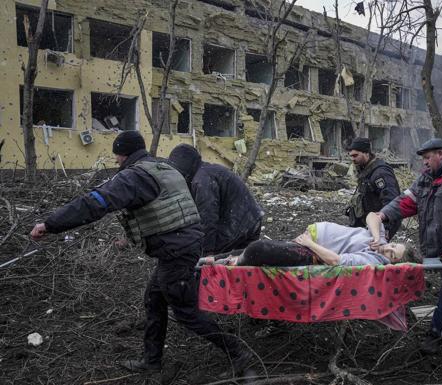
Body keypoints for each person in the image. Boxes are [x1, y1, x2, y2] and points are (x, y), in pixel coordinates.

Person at [30, 131, 251, 376]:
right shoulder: (162, 166)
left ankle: (238, 353)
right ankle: (151, 361)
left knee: (186, 311)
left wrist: (51, 224)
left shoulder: (135, 177)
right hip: (182, 245)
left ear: (124, 155)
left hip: (176, 250)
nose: (115, 162)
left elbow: (95, 203)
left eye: (116, 156)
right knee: (154, 299)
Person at [374, 138, 442, 354]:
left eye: (428, 157)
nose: (424, 162)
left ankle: (436, 333)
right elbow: (405, 202)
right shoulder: (426, 178)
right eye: (423, 158)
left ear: (441, 154)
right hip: (439, 247)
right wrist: (383, 214)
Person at [208, 213, 419, 267]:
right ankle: (209, 259)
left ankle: (227, 263)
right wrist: (376, 236)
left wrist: (310, 244)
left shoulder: (373, 261)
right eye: (393, 246)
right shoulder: (379, 241)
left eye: (392, 255)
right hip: (311, 238)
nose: (387, 250)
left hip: (313, 250)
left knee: (258, 248)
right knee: (257, 248)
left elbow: (336, 261)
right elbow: (373, 216)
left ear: (392, 264)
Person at [169, 144, 263, 255]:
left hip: (241, 223)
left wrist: (206, 253)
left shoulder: (201, 180)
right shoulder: (206, 171)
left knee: (209, 257)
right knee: (239, 263)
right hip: (250, 219)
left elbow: (208, 218)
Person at [344, 137, 401, 240]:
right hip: (367, 224)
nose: (352, 159)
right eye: (351, 156)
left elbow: (392, 202)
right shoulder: (365, 170)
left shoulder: (380, 173)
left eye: (355, 155)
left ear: (366, 153)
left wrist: (385, 229)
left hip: (379, 225)